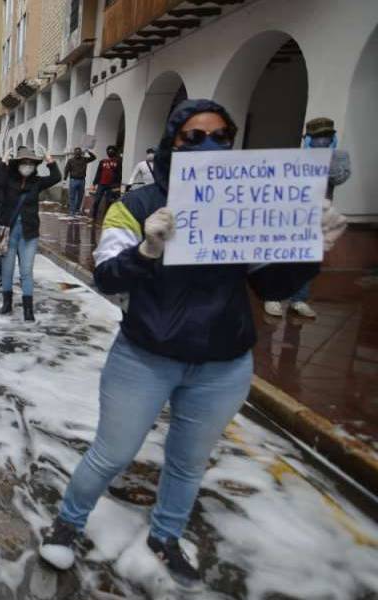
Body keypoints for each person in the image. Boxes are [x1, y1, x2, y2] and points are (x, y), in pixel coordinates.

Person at [37, 100, 348, 589]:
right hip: (144, 357)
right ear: (172, 141)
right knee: (112, 453)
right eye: (193, 136)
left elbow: (272, 286)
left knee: (187, 462)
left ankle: (165, 536)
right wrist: (147, 250)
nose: (208, 145)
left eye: (220, 136)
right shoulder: (136, 204)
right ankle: (69, 522)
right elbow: (105, 275)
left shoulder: (245, 198)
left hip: (221, 365)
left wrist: (312, 249)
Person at [263, 117, 351, 319]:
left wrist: (323, 157)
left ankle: (299, 300)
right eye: (317, 137)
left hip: (317, 216)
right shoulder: (294, 156)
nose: (322, 141)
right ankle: (272, 296)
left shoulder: (339, 156)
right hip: (290, 214)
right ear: (307, 138)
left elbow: (340, 176)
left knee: (308, 258)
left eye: (327, 137)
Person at [0, 146, 61, 321]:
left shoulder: (37, 182)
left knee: (26, 271)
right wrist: (3, 162)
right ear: (17, 164)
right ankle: (7, 305)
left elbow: (56, 177)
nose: (27, 166)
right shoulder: (7, 179)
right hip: (8, 232)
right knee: (7, 271)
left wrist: (49, 159)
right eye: (24, 162)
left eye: (31, 163)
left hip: (29, 234)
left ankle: (28, 310)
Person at [90, 145, 122, 222]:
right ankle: (93, 217)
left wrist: (118, 185)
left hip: (112, 185)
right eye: (108, 150)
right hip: (101, 184)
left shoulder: (118, 161)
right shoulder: (102, 161)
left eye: (112, 150)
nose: (110, 151)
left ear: (114, 152)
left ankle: (105, 218)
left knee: (109, 201)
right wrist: (94, 184)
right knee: (97, 200)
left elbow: (119, 174)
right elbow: (98, 173)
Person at [63, 148, 97, 216]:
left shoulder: (84, 159)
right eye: (76, 153)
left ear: (81, 153)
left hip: (82, 180)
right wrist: (65, 179)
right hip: (73, 180)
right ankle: (72, 211)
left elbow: (94, 158)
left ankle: (77, 210)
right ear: (74, 153)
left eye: (79, 153)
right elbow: (66, 169)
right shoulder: (70, 160)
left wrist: (88, 151)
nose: (77, 154)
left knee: (80, 196)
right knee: (72, 196)